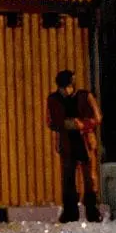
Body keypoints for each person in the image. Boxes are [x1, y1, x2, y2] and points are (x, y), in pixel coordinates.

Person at [46, 69, 103, 223]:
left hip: (85, 141)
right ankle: (70, 211)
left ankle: (92, 210)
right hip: (67, 142)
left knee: (89, 177)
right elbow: (50, 121)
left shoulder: (85, 96)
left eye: (67, 88)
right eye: (62, 88)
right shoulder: (53, 99)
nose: (65, 91)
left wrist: (82, 124)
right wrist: (63, 124)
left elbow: (97, 117)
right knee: (68, 178)